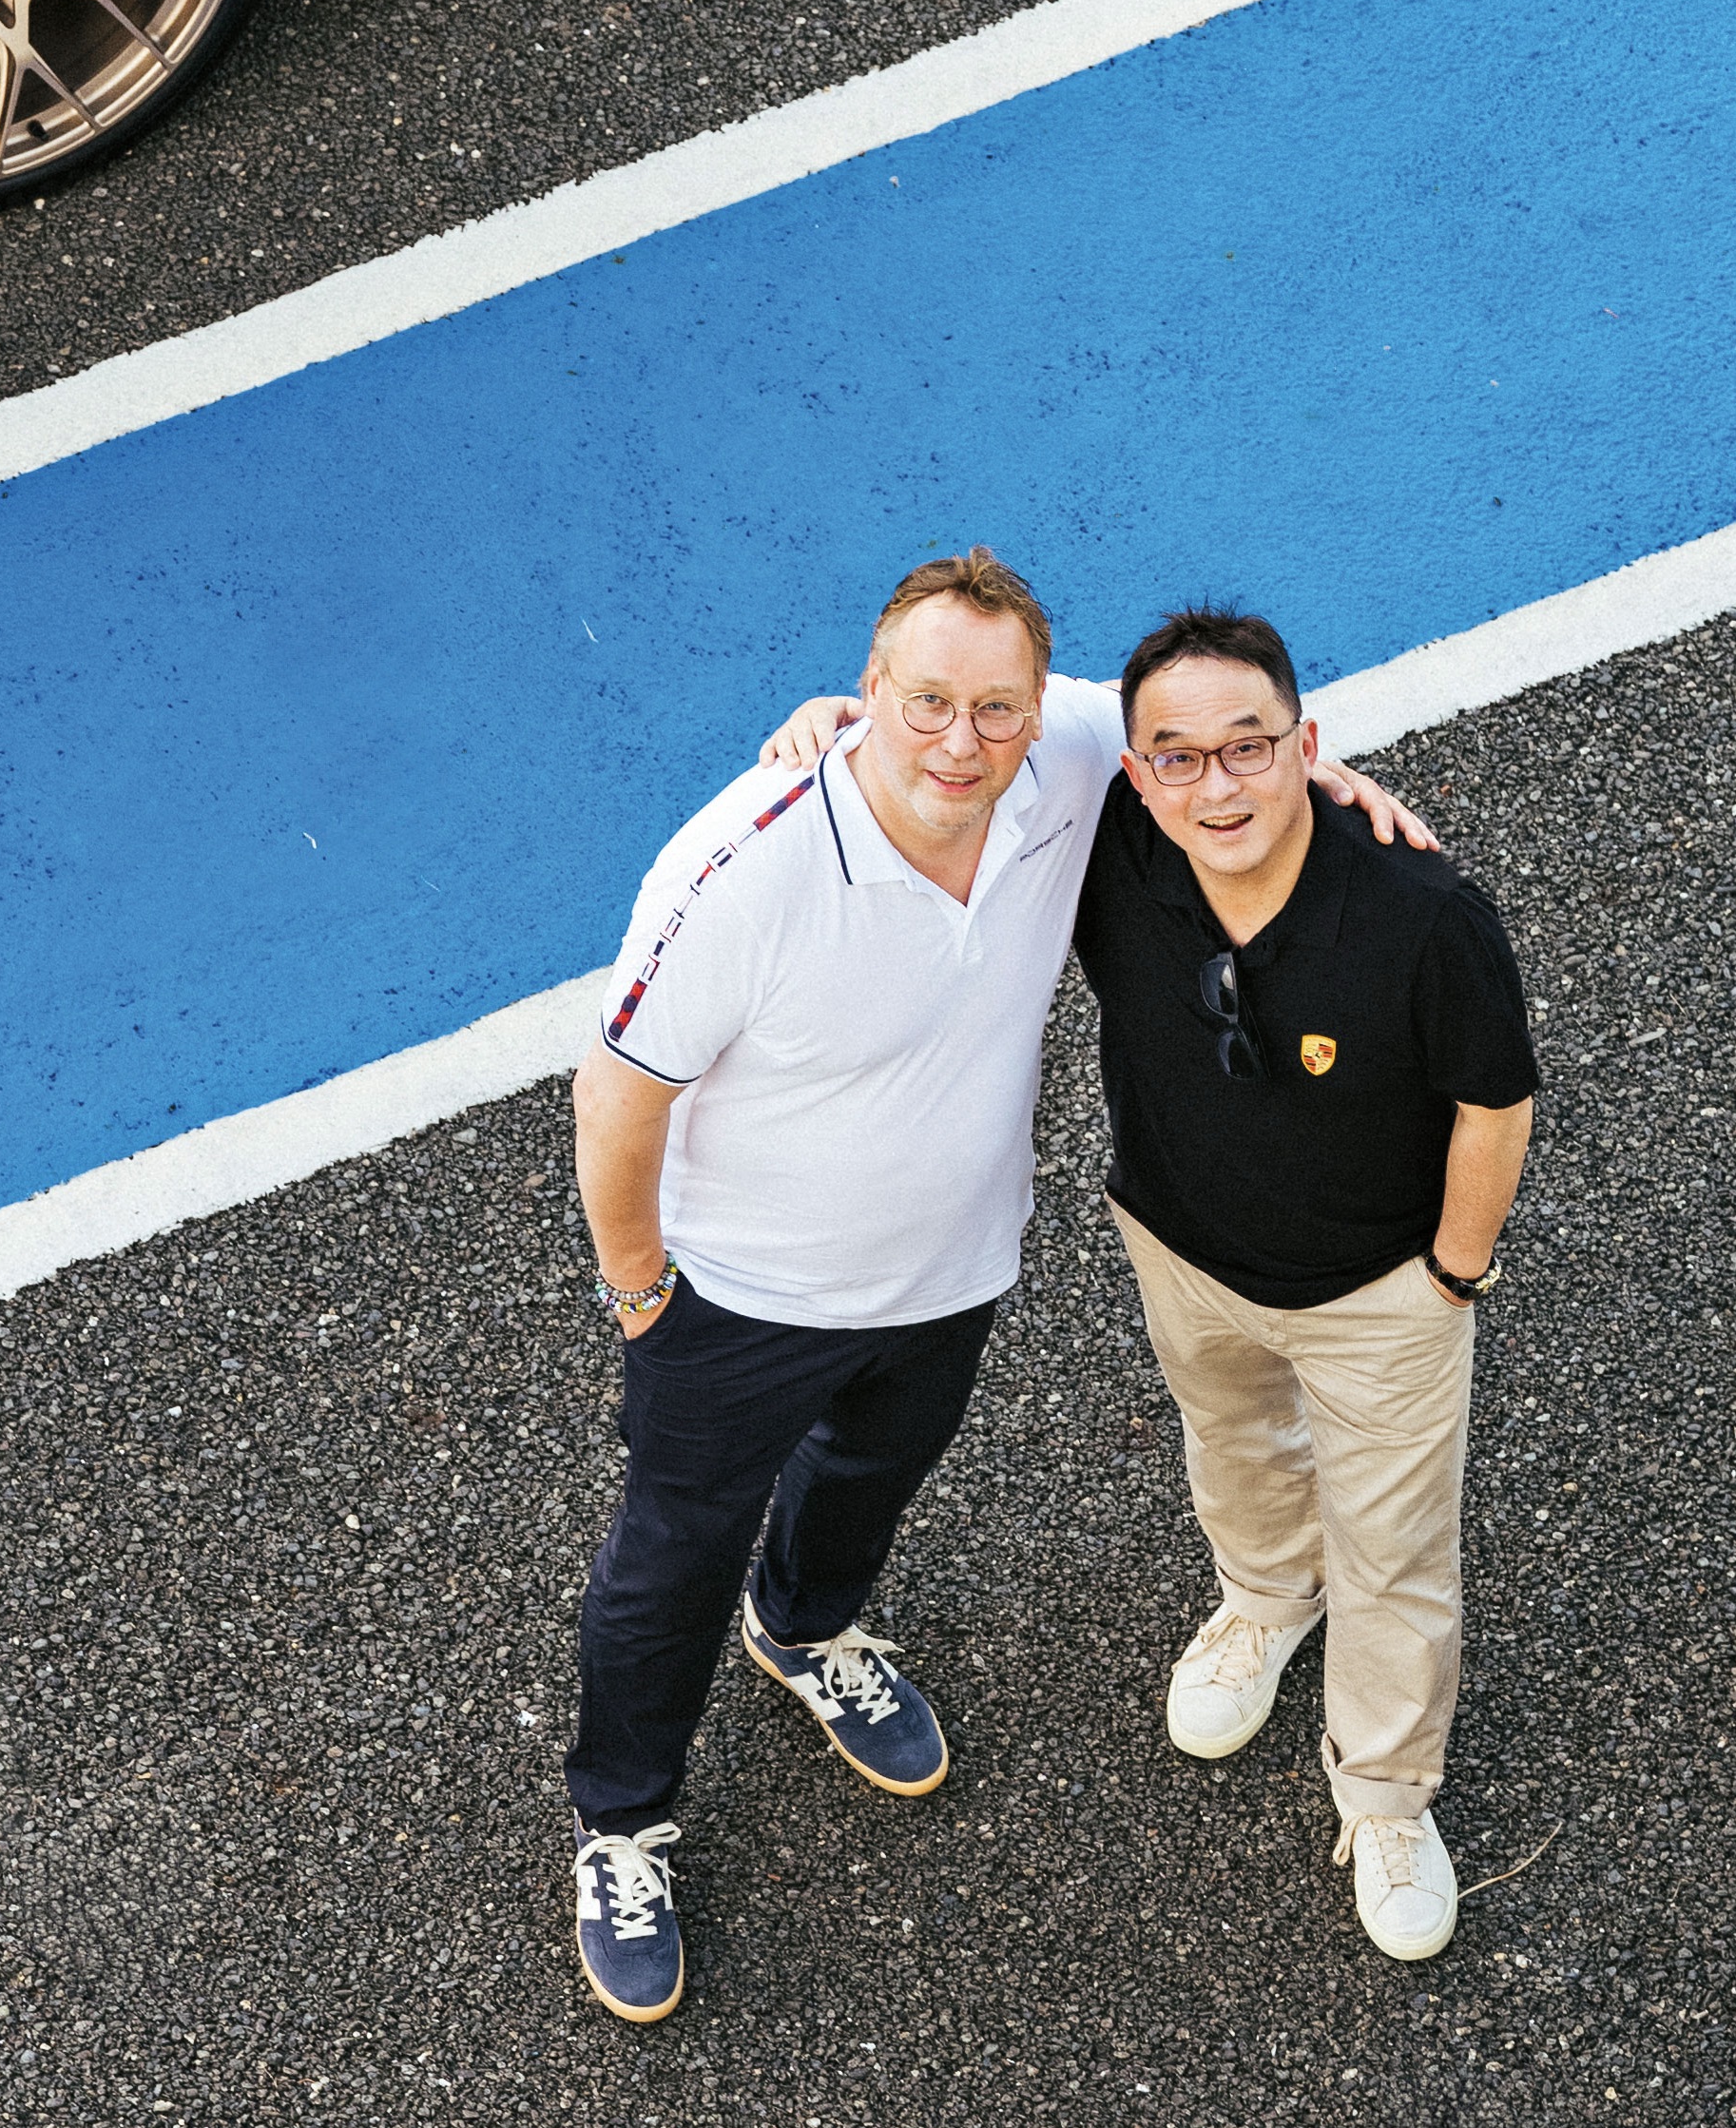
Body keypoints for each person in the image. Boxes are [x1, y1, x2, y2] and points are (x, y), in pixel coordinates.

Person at [566, 549, 1427, 2022]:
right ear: (864, 698)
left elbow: (1189, 739)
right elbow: (619, 1088)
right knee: (667, 1563)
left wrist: (1322, 779)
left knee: (871, 1472)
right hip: (743, 1298)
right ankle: (621, 1826)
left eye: (994, 709)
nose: (960, 744)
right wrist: (642, 1292)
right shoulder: (748, 869)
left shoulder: (1065, 750)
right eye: (923, 706)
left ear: (1039, 707)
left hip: (949, 1268)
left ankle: (809, 1628)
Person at [767, 605, 1536, 1964]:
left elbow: (1493, 1102)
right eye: (1175, 757)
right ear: (1132, 775)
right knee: (1232, 1446)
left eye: (1249, 747)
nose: (1216, 784)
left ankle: (1386, 1792)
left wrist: (1449, 1278)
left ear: (1309, 745)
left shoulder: (1423, 915)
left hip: (1379, 1295)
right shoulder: (1112, 846)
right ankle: (1262, 1602)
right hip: (1178, 1250)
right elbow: (968, 741)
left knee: (1397, 1553)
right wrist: (845, 728)